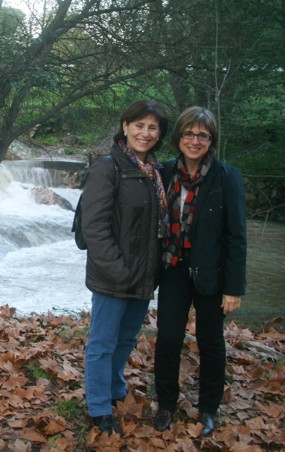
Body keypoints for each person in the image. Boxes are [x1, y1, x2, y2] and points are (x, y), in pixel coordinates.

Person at [153, 106, 247, 436]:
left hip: (211, 273)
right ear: (178, 137)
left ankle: (208, 409)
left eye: (202, 135)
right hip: (173, 271)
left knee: (210, 342)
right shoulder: (164, 173)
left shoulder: (227, 177)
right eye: (189, 134)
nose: (195, 141)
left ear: (211, 140)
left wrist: (234, 288)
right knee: (167, 340)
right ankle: (166, 404)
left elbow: (237, 236)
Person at [82, 100, 169, 435]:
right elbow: (94, 228)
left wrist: (151, 272)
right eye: (139, 125)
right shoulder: (107, 169)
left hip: (144, 276)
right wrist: (118, 272)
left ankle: (115, 389)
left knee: (126, 339)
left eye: (153, 127)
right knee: (102, 343)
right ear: (125, 126)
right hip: (114, 276)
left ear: (160, 134)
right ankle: (99, 409)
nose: (145, 133)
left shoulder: (156, 172)